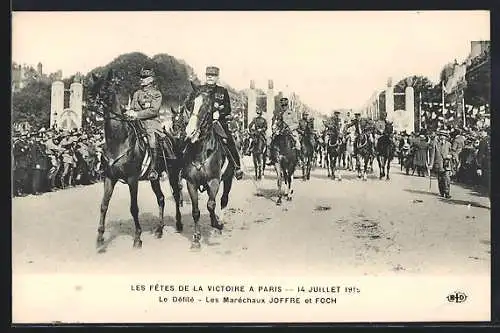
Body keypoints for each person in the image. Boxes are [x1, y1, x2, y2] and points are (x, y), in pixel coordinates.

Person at [199, 65, 244, 180]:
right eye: (208, 75)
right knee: (187, 139)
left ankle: (237, 166)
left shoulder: (222, 91)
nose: (210, 77)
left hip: (218, 123)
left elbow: (228, 108)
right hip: (201, 123)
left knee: (229, 141)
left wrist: (220, 113)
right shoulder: (199, 89)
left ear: (217, 78)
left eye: (213, 76)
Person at [124, 67, 164, 181]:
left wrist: (137, 114)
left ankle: (153, 169)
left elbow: (154, 110)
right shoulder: (137, 93)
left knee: (151, 138)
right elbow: (132, 107)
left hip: (151, 123)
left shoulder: (156, 94)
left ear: (151, 79)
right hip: (136, 122)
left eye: (145, 77)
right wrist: (129, 112)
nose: (142, 79)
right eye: (141, 77)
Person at [267, 97, 301, 165]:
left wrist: (290, 128)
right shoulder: (279, 114)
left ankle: (298, 159)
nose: (283, 107)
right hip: (280, 131)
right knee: (270, 142)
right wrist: (274, 129)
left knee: (297, 143)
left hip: (291, 132)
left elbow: (296, 123)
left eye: (285, 105)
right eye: (282, 105)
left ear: (287, 105)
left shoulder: (292, 113)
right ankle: (272, 158)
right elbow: (275, 123)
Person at [429, 129, 452, 199]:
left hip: (447, 164)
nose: (442, 137)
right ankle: (442, 192)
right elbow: (432, 155)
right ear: (439, 136)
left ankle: (447, 192)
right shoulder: (435, 144)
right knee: (440, 179)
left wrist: (450, 156)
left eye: (444, 136)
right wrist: (431, 164)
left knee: (447, 179)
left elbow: (451, 153)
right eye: (441, 135)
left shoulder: (448, 144)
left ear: (446, 137)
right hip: (438, 164)